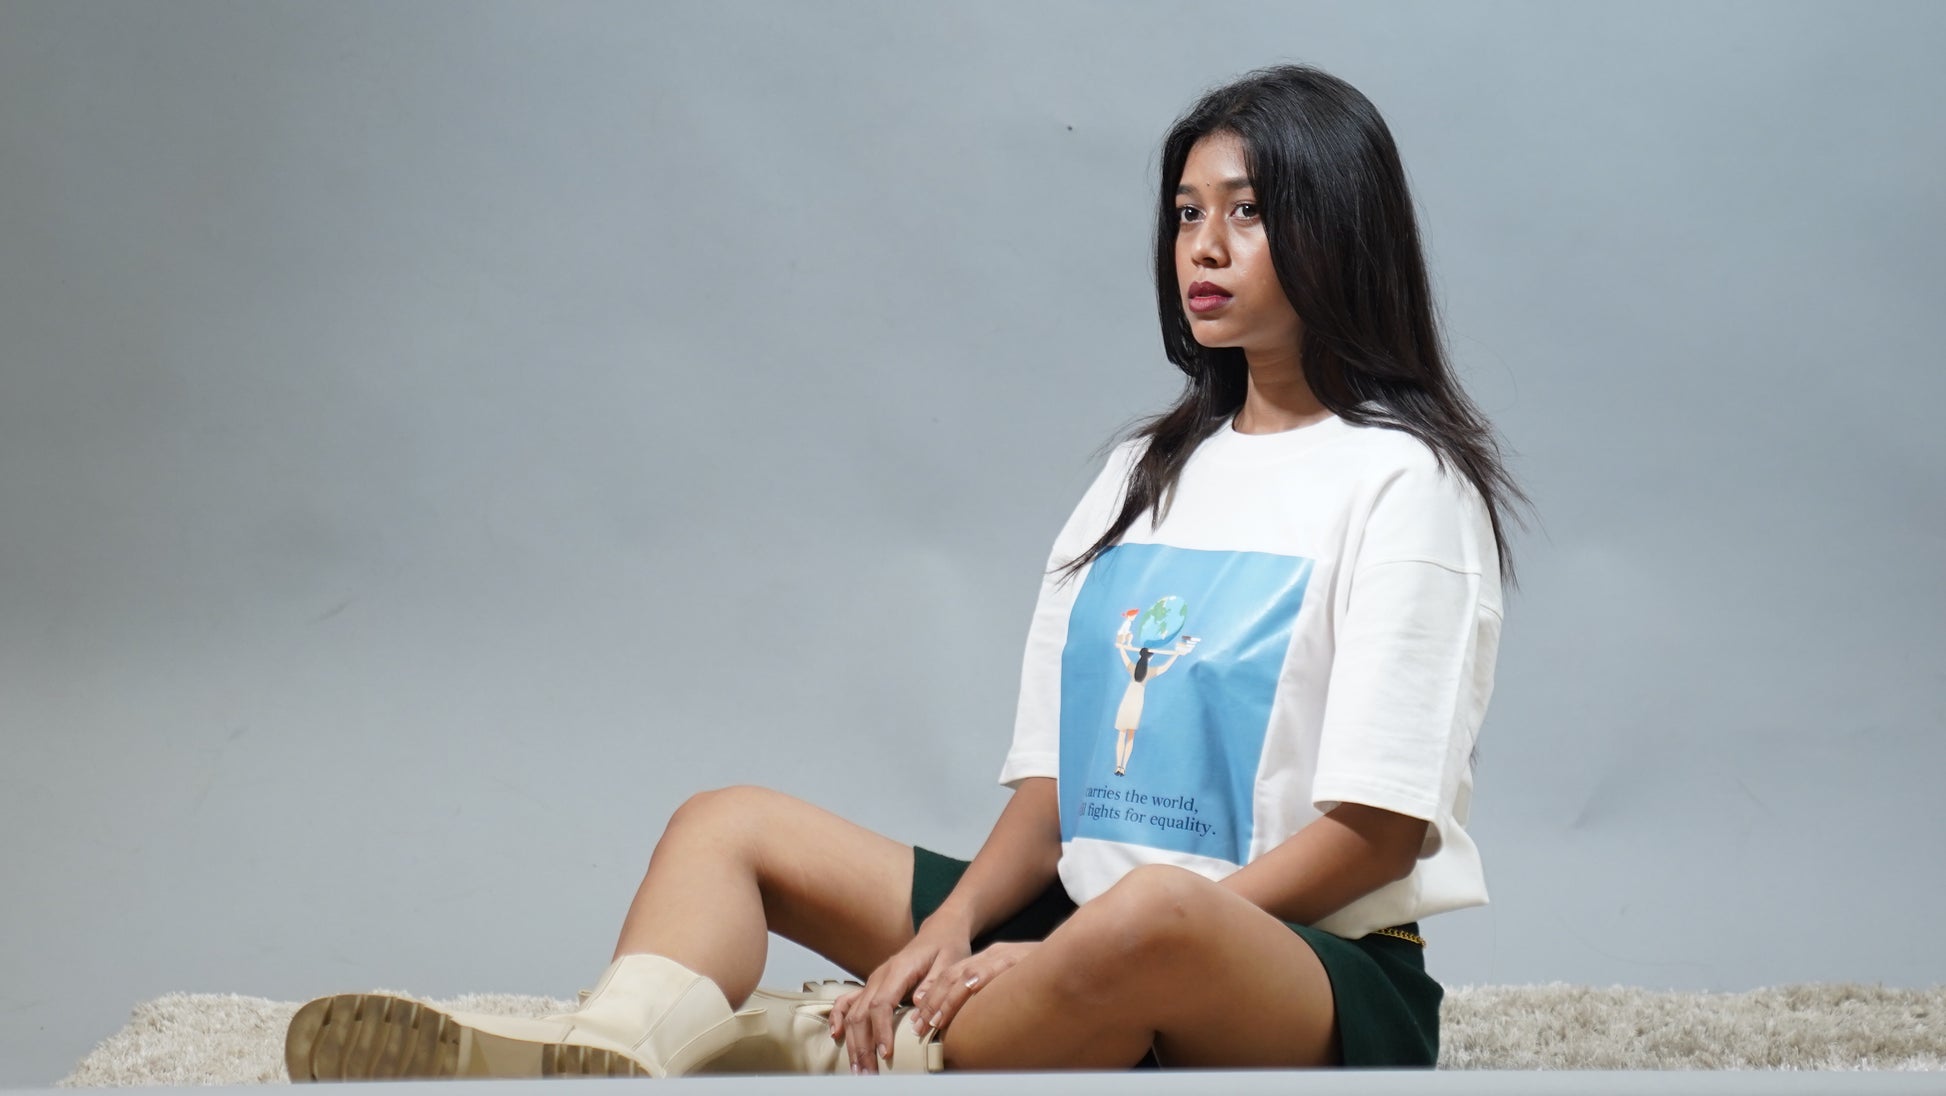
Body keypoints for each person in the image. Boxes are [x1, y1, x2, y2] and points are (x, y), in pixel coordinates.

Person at [284, 61, 1528, 1080]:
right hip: (1085, 927)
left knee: (1153, 913)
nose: (1201, 246)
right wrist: (953, 926)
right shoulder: (1142, 471)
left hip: (1295, 967)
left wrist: (1075, 947)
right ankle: (617, 1049)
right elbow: (1054, 790)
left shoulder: (1401, 483)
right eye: (1184, 212)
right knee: (728, 824)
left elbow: (1375, 831)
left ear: (1335, 226)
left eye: (1245, 212)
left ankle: (805, 1047)